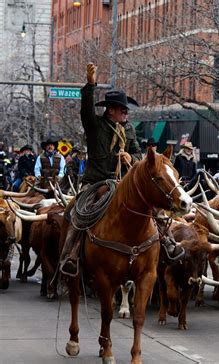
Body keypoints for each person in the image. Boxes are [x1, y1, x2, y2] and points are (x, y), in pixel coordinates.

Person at [60, 63, 181, 276]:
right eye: (123, 109)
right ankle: (70, 255)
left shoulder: (130, 130)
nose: (126, 113)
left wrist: (130, 157)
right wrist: (90, 85)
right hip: (96, 182)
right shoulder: (95, 125)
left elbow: (140, 157)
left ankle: (169, 242)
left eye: (127, 110)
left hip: (125, 183)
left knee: (154, 209)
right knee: (80, 212)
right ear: (111, 110)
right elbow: (86, 110)